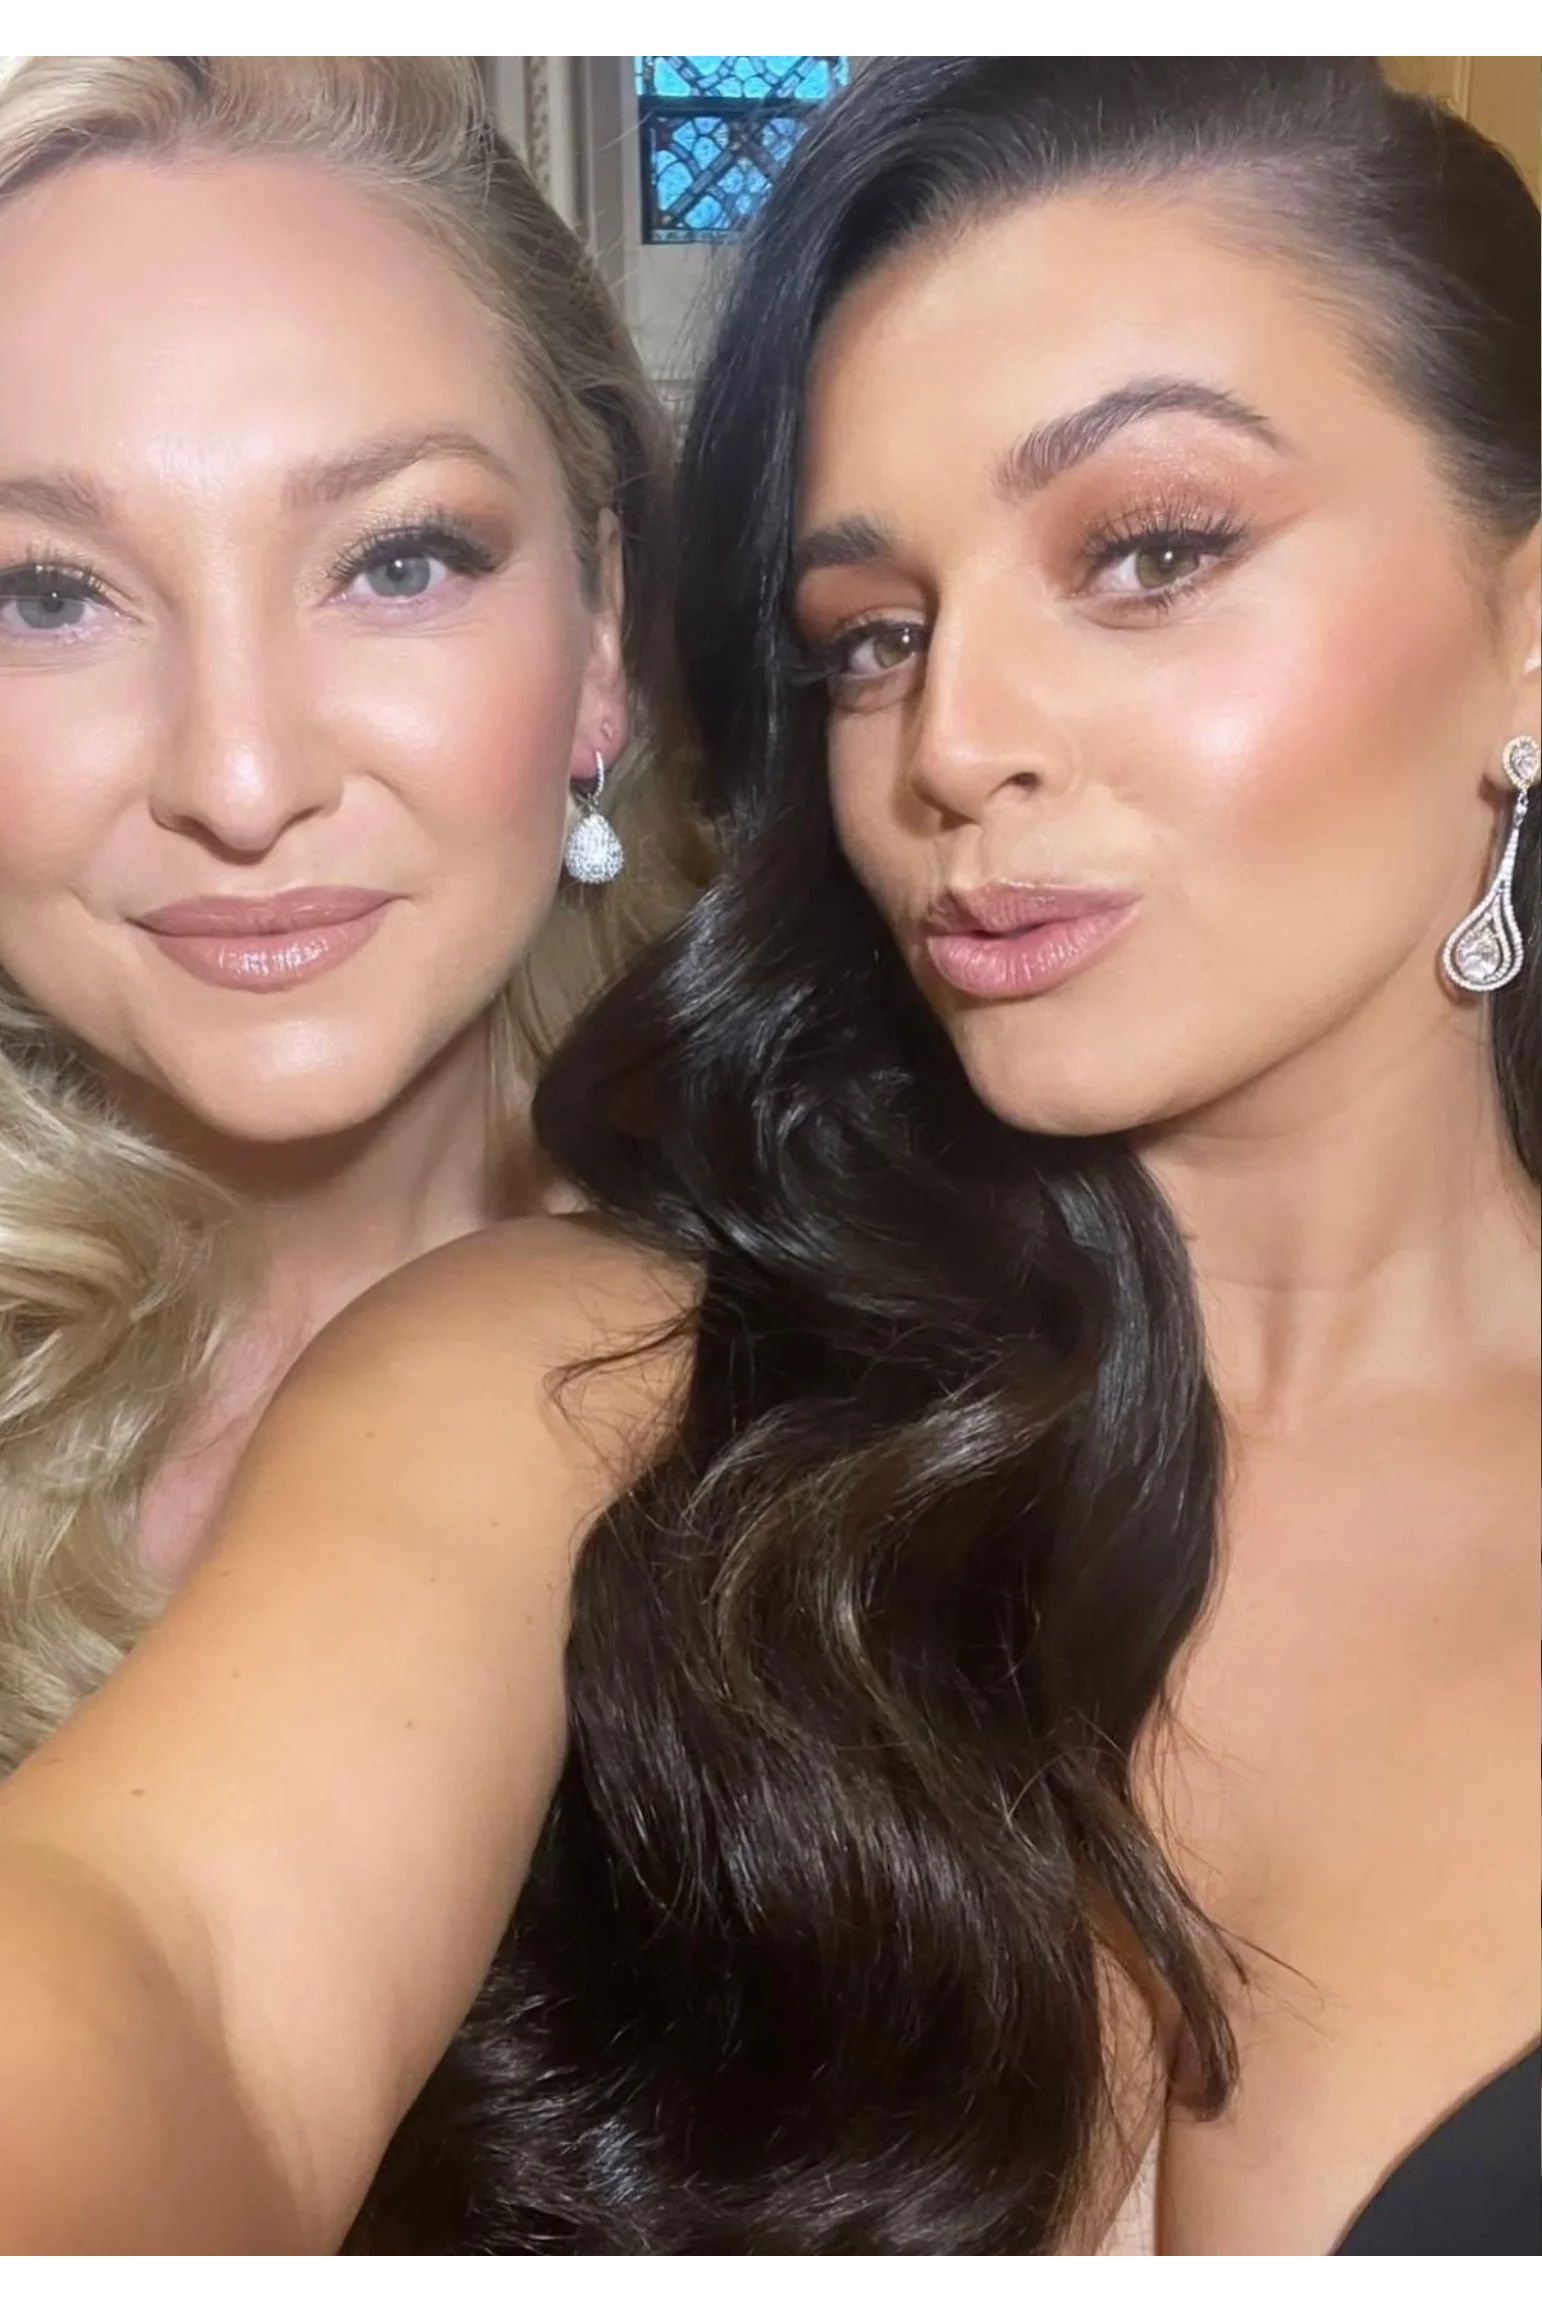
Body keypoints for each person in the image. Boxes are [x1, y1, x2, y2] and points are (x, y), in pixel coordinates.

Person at [0, 57, 1536, 2256]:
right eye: (871, 638)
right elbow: (184, 1963)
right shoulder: (591, 1356)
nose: (953, 737)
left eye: (1153, 550)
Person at [0, 56, 691, 1772]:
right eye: (44, 593)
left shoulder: (899, 1329)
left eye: (398, 562)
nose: (239, 779)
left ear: (601, 624)